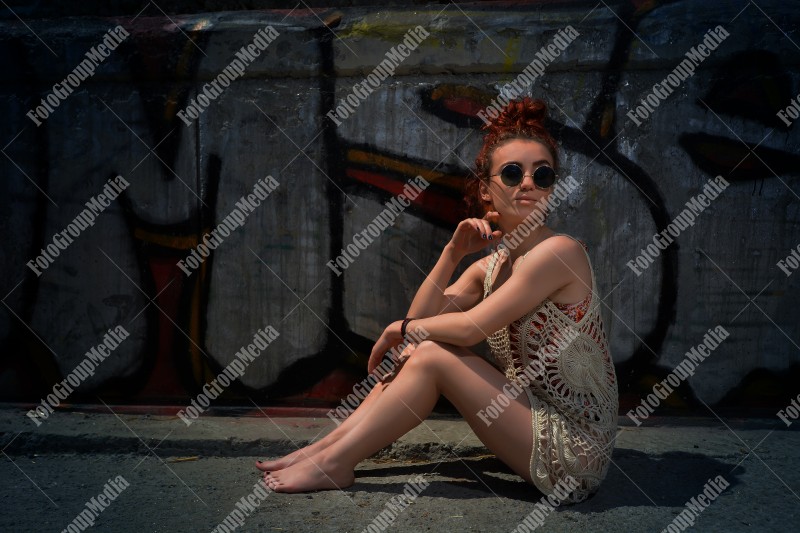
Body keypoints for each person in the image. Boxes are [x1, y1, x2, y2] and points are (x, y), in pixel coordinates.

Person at [256, 97, 618, 504]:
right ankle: (327, 449)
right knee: (421, 351)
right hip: (530, 414)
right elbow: (420, 325)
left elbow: (464, 328)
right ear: (486, 189)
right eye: (513, 173)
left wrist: (399, 329)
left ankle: (335, 462)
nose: (528, 183)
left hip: (575, 451)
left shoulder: (558, 253)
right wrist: (453, 253)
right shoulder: (493, 266)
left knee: (430, 352)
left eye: (543, 174)